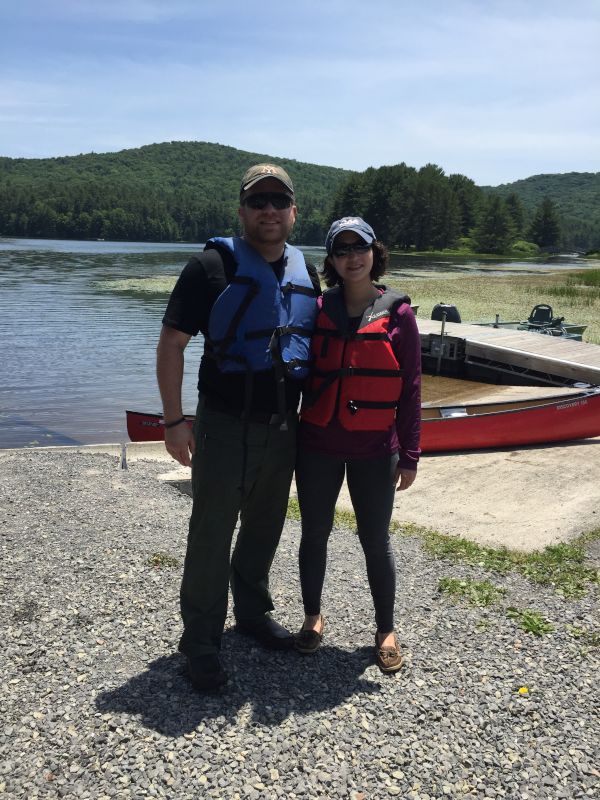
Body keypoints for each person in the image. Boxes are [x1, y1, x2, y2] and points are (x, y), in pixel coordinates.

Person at [156, 164, 320, 691]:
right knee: (210, 535)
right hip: (223, 426)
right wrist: (175, 420)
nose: (268, 210)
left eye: (279, 201)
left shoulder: (305, 270)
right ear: (242, 210)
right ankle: (201, 644)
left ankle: (251, 614)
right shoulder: (209, 267)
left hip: (282, 428)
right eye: (258, 201)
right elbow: (172, 346)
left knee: (265, 528)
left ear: (294, 211)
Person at [293, 216, 421, 673]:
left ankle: (385, 628)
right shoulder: (317, 309)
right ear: (330, 259)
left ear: (374, 252)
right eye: (342, 250)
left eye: (359, 247)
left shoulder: (399, 316)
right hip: (317, 445)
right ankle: (312, 617)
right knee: (314, 532)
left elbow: (410, 390)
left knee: (375, 540)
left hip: (374, 449)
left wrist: (410, 454)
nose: (352, 257)